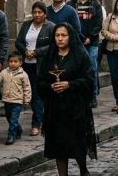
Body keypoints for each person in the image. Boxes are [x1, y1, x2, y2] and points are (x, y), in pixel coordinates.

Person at [38, 23, 96, 176]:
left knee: (77, 143)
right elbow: (40, 81)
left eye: (63, 35)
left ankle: (83, 170)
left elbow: (89, 80)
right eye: (57, 35)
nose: (60, 39)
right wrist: (51, 87)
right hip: (55, 109)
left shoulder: (80, 55)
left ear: (70, 36)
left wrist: (69, 85)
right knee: (59, 147)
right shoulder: (50, 56)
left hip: (75, 108)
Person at [15, 1, 55, 136]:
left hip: (42, 65)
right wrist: (25, 51)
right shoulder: (27, 25)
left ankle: (36, 124)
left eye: (40, 12)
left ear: (45, 14)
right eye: (35, 12)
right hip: (27, 64)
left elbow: (53, 45)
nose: (37, 15)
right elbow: (18, 41)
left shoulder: (50, 27)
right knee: (30, 94)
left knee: (38, 94)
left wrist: (36, 52)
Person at [69, 0, 103, 108]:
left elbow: (98, 23)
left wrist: (90, 36)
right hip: (76, 42)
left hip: (92, 42)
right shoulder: (71, 5)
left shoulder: (95, 4)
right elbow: (70, 23)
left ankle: (93, 94)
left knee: (92, 68)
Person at [0, 51, 31, 144]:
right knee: (9, 118)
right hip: (7, 100)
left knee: (13, 119)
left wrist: (27, 99)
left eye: (15, 61)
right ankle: (19, 129)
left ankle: (11, 136)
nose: (12, 63)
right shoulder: (4, 72)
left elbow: (27, 88)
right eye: (11, 61)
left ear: (20, 63)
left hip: (17, 101)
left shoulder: (23, 75)